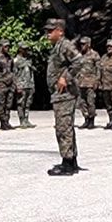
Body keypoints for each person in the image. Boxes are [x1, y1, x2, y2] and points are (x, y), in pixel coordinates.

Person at [43, 19, 82, 176]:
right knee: (66, 127)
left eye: (51, 30)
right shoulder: (57, 47)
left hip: (65, 94)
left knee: (63, 128)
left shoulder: (65, 45)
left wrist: (65, 77)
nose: (47, 33)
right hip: (59, 95)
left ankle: (67, 164)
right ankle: (71, 160)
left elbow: (79, 61)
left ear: (60, 31)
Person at [72, 37, 99, 130]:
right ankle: (86, 118)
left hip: (90, 82)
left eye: (84, 44)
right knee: (81, 102)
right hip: (80, 82)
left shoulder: (94, 55)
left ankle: (92, 120)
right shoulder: (79, 55)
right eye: (81, 44)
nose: (82, 46)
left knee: (91, 102)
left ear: (89, 44)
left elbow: (98, 69)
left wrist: (97, 80)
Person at [13, 43, 36, 128]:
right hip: (21, 85)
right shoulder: (16, 61)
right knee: (21, 104)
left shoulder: (29, 60)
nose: (26, 50)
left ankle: (26, 119)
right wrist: (16, 86)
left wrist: (33, 85)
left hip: (29, 84)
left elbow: (31, 73)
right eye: (24, 49)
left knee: (28, 103)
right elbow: (14, 74)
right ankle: (21, 120)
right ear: (20, 49)